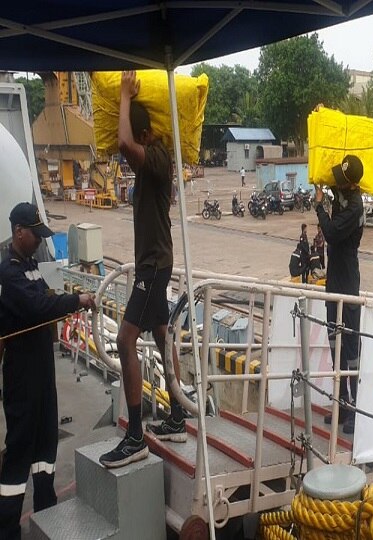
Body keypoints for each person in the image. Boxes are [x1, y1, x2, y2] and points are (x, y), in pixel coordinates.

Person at [99, 71, 186, 469]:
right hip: (153, 263)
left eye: (140, 137)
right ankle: (179, 416)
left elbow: (122, 143)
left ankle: (135, 437)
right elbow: (124, 146)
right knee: (163, 336)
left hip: (154, 265)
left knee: (125, 339)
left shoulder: (157, 157)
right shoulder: (153, 159)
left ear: (149, 134)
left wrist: (122, 96)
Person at [0, 202, 95, 539]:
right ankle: (8, 526)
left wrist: (63, 300)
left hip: (42, 374)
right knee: (20, 452)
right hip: (21, 377)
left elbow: (45, 295)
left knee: (45, 447)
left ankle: (47, 513)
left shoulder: (30, 266)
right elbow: (38, 306)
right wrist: (75, 301)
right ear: (18, 232)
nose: (39, 241)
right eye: (34, 235)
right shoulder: (9, 273)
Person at [314, 154, 365, 434]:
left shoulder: (354, 207)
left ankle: (354, 405)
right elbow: (333, 185)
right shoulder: (345, 196)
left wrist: (319, 206)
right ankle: (342, 402)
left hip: (347, 281)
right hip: (335, 279)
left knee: (350, 346)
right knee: (335, 340)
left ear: (349, 183)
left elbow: (332, 233)